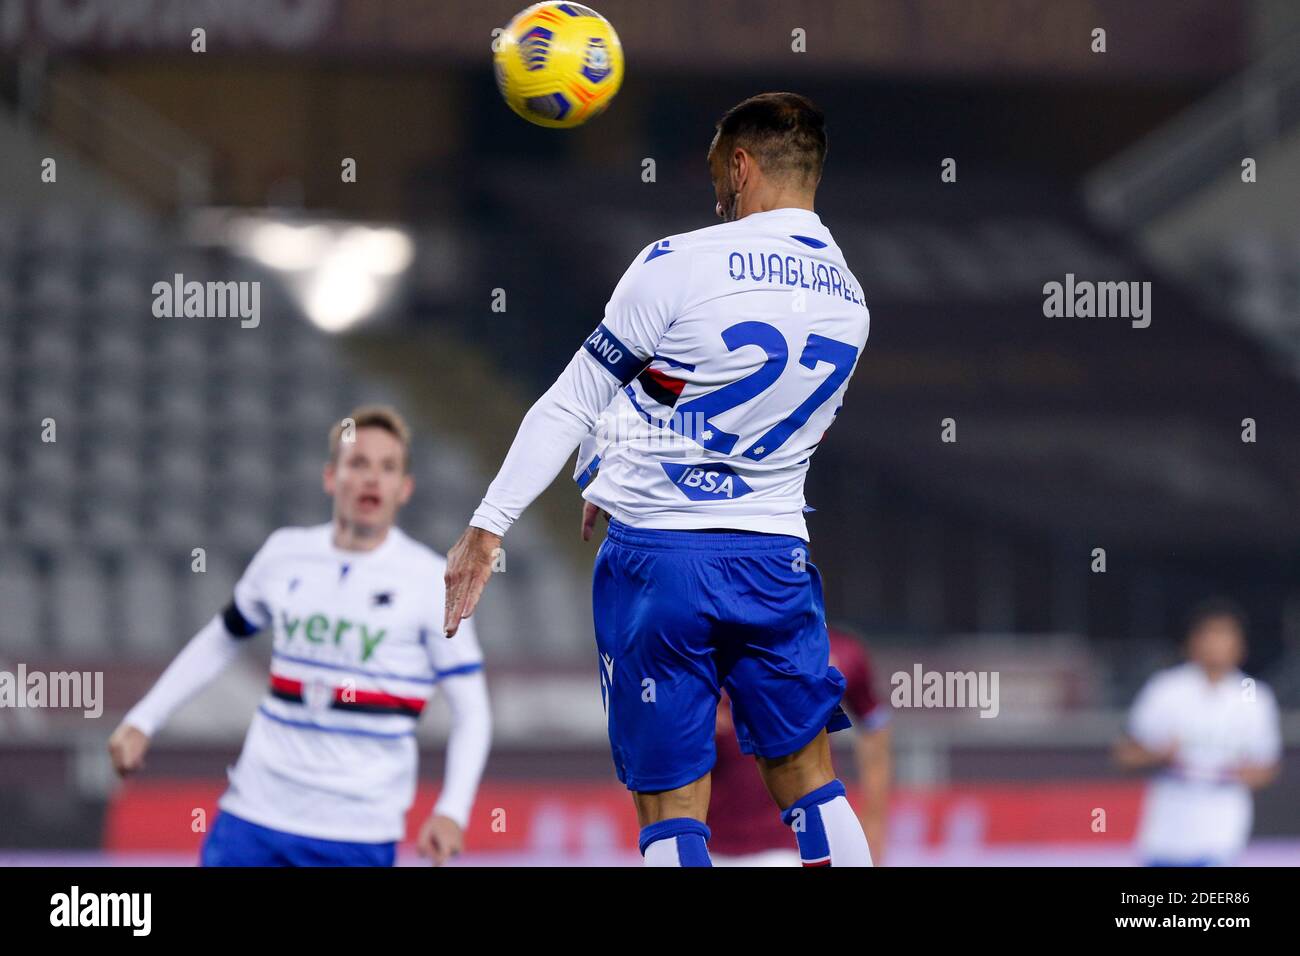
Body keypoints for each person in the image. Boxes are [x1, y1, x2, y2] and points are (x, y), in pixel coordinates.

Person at [444, 93, 873, 866]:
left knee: (672, 800)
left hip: (661, 565)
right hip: (773, 560)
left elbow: (575, 397)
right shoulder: (850, 302)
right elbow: (737, 409)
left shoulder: (681, 262)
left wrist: (487, 525)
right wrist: (615, 461)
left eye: (718, 171)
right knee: (810, 778)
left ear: (741, 166)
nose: (715, 192)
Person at [109, 406, 490, 867]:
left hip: (357, 831)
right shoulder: (284, 553)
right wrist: (143, 719)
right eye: (358, 463)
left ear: (404, 488)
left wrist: (453, 810)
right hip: (254, 815)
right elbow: (222, 638)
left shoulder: (431, 581)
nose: (372, 478)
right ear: (331, 477)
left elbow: (472, 709)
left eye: (387, 467)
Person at [1114, 598, 1281, 866]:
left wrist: (1245, 774)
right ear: (1193, 641)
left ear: (1240, 645)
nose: (1215, 644)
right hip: (1170, 815)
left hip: (1222, 815)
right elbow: (1125, 756)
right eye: (1209, 634)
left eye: (1225, 635)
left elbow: (1267, 766)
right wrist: (1158, 754)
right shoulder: (1166, 688)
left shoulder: (1255, 696)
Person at [710, 627, 891, 866]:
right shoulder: (709, 648)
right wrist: (694, 720)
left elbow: (875, 730)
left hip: (789, 838)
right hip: (713, 838)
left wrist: (875, 822)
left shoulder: (840, 651)